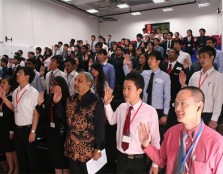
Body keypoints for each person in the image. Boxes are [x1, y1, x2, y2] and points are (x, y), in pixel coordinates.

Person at [138, 86, 223, 174]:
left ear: (199, 106)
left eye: (183, 103)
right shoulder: (171, 133)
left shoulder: (217, 143)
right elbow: (161, 160)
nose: (177, 109)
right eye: (176, 104)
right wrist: (146, 144)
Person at [104, 72, 160, 174]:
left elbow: (156, 139)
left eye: (129, 88)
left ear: (139, 91)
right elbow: (112, 121)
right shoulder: (122, 107)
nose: (125, 92)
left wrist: (155, 164)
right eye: (124, 88)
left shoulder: (150, 111)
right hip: (121, 158)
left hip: (139, 160)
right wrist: (107, 104)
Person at [0, 66, 40, 173]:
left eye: (20, 73)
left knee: (31, 159)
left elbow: (36, 113)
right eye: (17, 72)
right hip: (17, 129)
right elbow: (14, 107)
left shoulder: (33, 92)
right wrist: (3, 98)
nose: (17, 74)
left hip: (28, 129)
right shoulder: (15, 91)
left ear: (27, 77)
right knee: (21, 158)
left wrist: (33, 131)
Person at [64, 72, 105, 174]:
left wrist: (98, 148)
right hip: (72, 147)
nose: (76, 83)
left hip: (88, 150)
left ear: (89, 84)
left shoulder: (95, 101)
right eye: (76, 80)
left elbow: (100, 126)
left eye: (80, 81)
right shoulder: (70, 99)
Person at [179, 46, 223, 129]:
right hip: (193, 113)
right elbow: (190, 93)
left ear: (212, 58)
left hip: (208, 114)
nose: (201, 60)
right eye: (200, 57)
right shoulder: (195, 75)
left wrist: (214, 119)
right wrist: (183, 84)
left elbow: (218, 99)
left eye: (204, 57)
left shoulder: (218, 77)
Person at [36, 76, 70, 174]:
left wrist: (57, 103)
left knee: (64, 162)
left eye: (53, 85)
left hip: (63, 137)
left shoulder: (67, 99)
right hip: (52, 136)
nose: (51, 87)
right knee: (56, 162)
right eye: (51, 85)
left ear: (60, 86)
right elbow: (46, 118)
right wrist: (39, 106)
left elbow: (62, 117)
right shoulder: (50, 99)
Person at [0, 76, 19, 174]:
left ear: (10, 85)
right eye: (1, 82)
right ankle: (11, 167)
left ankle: (16, 168)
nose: (1, 84)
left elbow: (13, 116)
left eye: (4, 83)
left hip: (9, 128)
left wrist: (11, 130)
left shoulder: (12, 97)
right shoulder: (1, 96)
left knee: (12, 149)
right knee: (6, 149)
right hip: (2, 127)